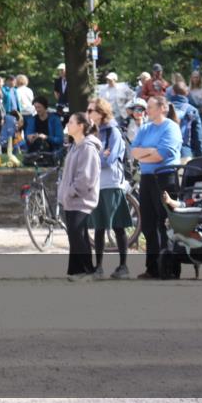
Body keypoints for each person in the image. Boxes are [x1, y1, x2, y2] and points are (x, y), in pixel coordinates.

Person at [131, 95, 182, 279]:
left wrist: (148, 153)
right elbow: (134, 152)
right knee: (148, 223)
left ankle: (168, 267)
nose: (147, 110)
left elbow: (162, 155)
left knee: (164, 221)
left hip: (164, 177)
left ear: (162, 108)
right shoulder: (145, 128)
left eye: (150, 106)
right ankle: (152, 267)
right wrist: (149, 151)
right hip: (146, 178)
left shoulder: (171, 128)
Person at [87, 98, 131, 279]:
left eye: (91, 110)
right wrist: (98, 155)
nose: (88, 114)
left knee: (118, 226)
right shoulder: (93, 132)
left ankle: (123, 266)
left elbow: (109, 159)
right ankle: (98, 267)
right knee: (98, 226)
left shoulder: (113, 131)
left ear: (101, 113)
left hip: (112, 183)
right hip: (97, 184)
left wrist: (96, 156)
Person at [58, 112, 101, 281]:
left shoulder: (88, 148)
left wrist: (71, 190)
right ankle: (77, 271)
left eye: (71, 122)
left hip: (81, 199)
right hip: (72, 199)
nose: (67, 125)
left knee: (77, 234)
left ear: (81, 126)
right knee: (77, 235)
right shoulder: (75, 146)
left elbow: (86, 177)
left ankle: (88, 271)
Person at [168, 82, 202, 160]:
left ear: (172, 92)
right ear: (187, 93)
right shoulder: (192, 110)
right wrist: (200, 155)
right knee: (183, 171)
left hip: (165, 152)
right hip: (185, 151)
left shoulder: (164, 108)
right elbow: (198, 136)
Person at [188, 71, 202, 141]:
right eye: (194, 77)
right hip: (190, 114)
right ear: (191, 78)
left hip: (200, 113)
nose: (195, 79)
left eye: (197, 77)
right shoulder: (188, 90)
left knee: (200, 131)